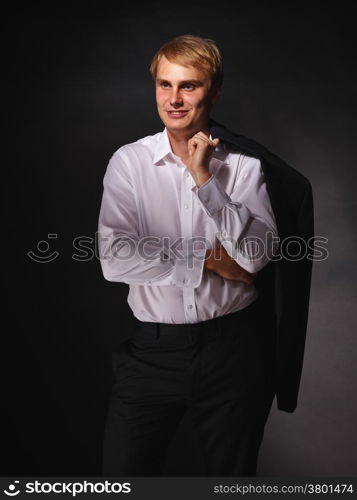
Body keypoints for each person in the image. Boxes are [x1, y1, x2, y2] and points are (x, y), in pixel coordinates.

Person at [97, 34, 314, 477]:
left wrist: (204, 180)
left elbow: (254, 257)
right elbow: (114, 258)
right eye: (165, 85)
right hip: (152, 354)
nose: (174, 99)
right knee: (123, 480)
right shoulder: (129, 163)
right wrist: (207, 259)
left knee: (231, 483)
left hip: (233, 353)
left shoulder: (246, 166)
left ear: (213, 92)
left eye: (189, 86)